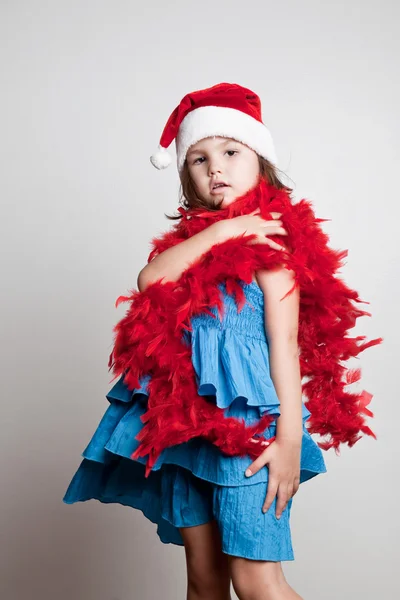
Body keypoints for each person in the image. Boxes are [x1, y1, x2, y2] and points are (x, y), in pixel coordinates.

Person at [63, 83, 330, 600]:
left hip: (249, 436)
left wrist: (290, 442)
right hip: (185, 434)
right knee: (204, 583)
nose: (216, 169)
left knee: (257, 582)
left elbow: (286, 345)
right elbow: (150, 281)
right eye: (199, 159)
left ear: (262, 162)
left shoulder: (272, 246)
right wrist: (218, 234)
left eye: (231, 152)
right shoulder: (193, 248)